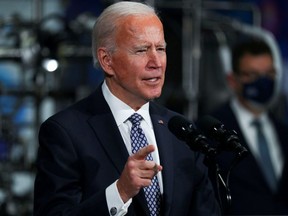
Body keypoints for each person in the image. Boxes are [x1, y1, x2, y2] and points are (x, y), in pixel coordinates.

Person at [33, 1, 220, 216]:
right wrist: (120, 192)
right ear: (107, 60)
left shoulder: (181, 132)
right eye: (141, 50)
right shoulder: (65, 132)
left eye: (160, 49)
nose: (156, 62)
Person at [207, 40, 288, 215]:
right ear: (232, 80)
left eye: (269, 74)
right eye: (252, 75)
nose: (263, 82)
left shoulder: (283, 131)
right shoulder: (212, 130)